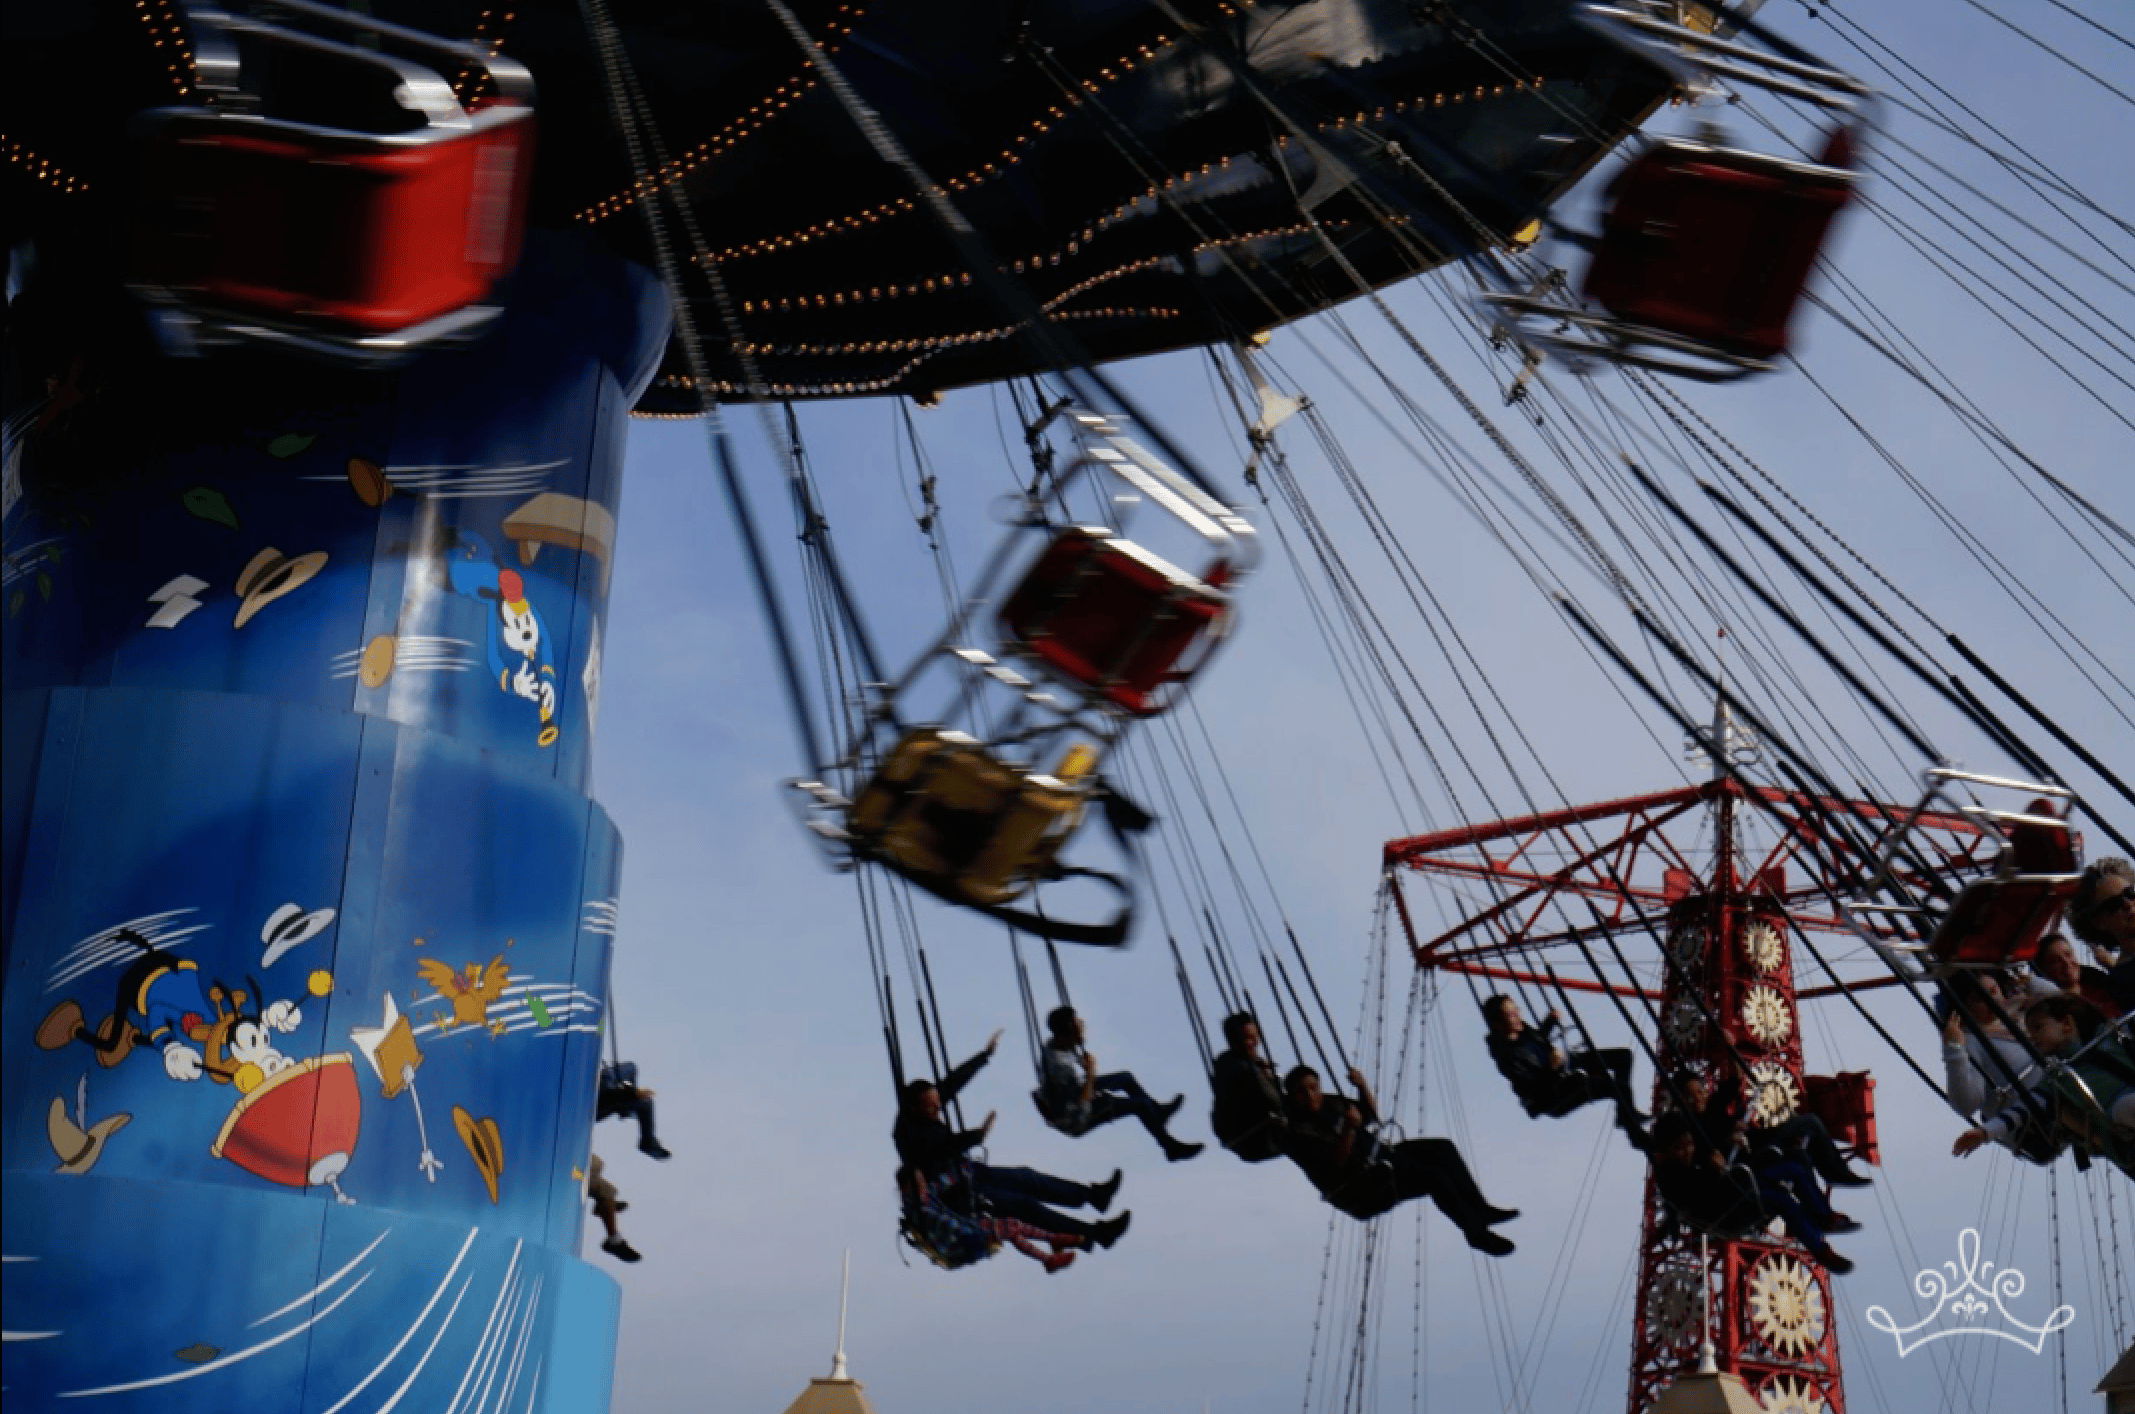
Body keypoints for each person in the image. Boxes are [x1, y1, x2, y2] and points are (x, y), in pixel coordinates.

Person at [893, 1029, 1131, 1249]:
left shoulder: (924, 1105)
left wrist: (984, 1056)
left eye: (938, 1103)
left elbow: (952, 1082)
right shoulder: (907, 1134)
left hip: (968, 1173)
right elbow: (940, 1146)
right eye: (932, 1107)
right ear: (915, 1108)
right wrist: (977, 1135)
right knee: (1025, 1207)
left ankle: (1093, 1196)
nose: (938, 1109)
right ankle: (1097, 1234)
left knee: (1028, 1178)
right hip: (955, 1196)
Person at [1281, 1063, 1519, 1255]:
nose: (1310, 1095)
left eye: (1314, 1088)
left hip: (1381, 1157)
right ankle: (1477, 1234)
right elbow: (1335, 1165)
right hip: (1360, 1184)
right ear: (1291, 1097)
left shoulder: (1331, 1103)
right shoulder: (1297, 1132)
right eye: (1301, 1092)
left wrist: (1362, 1087)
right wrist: (1349, 1130)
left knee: (1443, 1149)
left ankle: (1480, 1209)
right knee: (1433, 1176)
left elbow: (1370, 1116)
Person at [1648, 1111, 1856, 1274]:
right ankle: (1820, 1250)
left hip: (1738, 1191)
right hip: (1725, 1213)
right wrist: (1714, 1171)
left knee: (1793, 1168)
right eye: (1680, 1148)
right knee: (1782, 1201)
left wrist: (1727, 1144)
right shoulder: (1670, 1178)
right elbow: (1699, 1196)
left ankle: (1823, 1216)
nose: (1688, 1151)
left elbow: (1711, 1160)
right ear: (1666, 1151)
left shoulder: (1689, 1160)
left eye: (1689, 1144)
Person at [1955, 995, 2135, 1171]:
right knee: (2125, 1107)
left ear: (2067, 1024)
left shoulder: (2109, 1036)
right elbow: (2024, 1109)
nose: (2032, 1038)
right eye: (2030, 1033)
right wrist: (1985, 1132)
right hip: (2120, 1122)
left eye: (2038, 1028)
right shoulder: (2056, 1080)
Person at [1036, 1006, 1203, 1161]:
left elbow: (1067, 1079)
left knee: (1125, 1078)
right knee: (1141, 1105)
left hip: (1074, 1092)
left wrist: (1080, 1055)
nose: (1082, 1025)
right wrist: (1091, 1072)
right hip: (1076, 1117)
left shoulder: (1054, 1045)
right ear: (1067, 1031)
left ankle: (1158, 1112)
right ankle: (1170, 1147)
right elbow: (1082, 1106)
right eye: (1077, 1025)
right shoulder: (1061, 1067)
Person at [1481, 995, 1647, 1146]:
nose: (1517, 1016)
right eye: (1510, 1015)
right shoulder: (1506, 1057)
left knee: (1623, 1056)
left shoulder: (1523, 1031)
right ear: (1497, 1023)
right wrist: (1553, 1069)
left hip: (1562, 1067)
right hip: (1555, 1094)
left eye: (1516, 1010)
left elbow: (1538, 1039)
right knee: (1619, 1088)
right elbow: (1534, 1085)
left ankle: (1624, 1115)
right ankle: (1637, 1138)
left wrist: (1550, 1021)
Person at [1673, 1067, 1872, 1189]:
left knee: (1807, 1132)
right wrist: (1728, 1139)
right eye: (1692, 1095)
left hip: (1757, 1140)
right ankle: (1833, 1176)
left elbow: (1735, 1078)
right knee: (1804, 1136)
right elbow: (1701, 1158)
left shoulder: (1714, 1105)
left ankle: (1830, 1181)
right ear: (1682, 1099)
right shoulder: (1684, 1129)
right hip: (1743, 1162)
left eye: (1701, 1091)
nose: (1699, 1097)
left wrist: (1729, 1045)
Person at [898, 1166, 1087, 1274]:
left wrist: (963, 1168)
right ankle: (1052, 1245)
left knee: (1012, 1226)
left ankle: (1050, 1252)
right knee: (1010, 1227)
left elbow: (941, 1184)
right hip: (961, 1243)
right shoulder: (921, 1211)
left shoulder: (926, 1197)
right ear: (906, 1189)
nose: (922, 1185)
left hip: (966, 1235)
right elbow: (949, 1225)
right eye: (917, 1183)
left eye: (922, 1181)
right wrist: (978, 1231)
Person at [1209, 1011, 1288, 1162]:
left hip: (1253, 1138)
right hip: (1259, 1138)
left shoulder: (1228, 1064)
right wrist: (1269, 1078)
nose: (1254, 1043)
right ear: (1233, 1041)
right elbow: (1275, 1102)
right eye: (1247, 1038)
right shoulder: (1242, 1069)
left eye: (1255, 1037)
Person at [2068, 858, 2135, 1012]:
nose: (2127, 904)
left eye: (2130, 893)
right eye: (2114, 904)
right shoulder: (2120, 982)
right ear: (2099, 923)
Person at [2022, 933, 2123, 1019]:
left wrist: (2113, 967)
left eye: (2068, 954)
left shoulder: (2100, 982)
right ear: (2044, 972)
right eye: (2055, 961)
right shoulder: (2057, 1012)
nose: (2066, 962)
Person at [598, 1059, 671, 1160]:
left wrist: (632, 1092)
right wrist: (633, 1093)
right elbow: (607, 1095)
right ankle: (647, 1140)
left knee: (632, 1068)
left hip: (607, 1098)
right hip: (603, 1098)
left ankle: (647, 1140)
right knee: (646, 1103)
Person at [587, 1154, 641, 1263]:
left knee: (598, 1167)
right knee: (605, 1185)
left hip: (575, 1173)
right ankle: (606, 1206)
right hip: (572, 1172)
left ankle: (606, 1205)